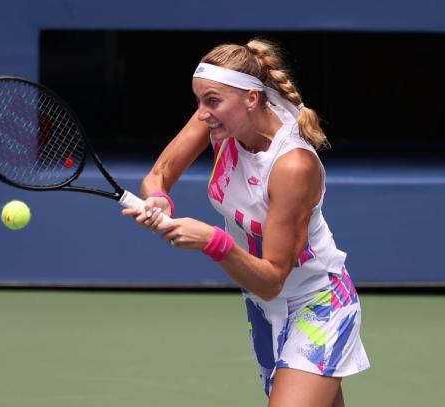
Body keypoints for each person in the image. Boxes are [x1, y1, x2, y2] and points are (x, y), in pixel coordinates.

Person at [122, 37, 370, 407]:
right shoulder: (220, 118)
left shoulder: (292, 165)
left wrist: (212, 241)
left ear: (251, 99)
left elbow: (272, 279)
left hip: (317, 303)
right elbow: (160, 173)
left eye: (212, 101)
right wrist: (158, 197)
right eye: (199, 101)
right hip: (263, 307)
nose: (203, 112)